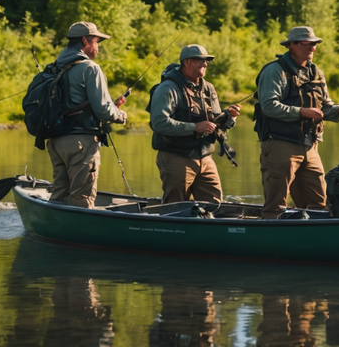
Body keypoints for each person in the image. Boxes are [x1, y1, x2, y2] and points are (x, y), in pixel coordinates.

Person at [254, 26, 339, 219]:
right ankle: (270, 241)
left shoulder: (316, 72)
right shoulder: (275, 71)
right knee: (276, 204)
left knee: (318, 205)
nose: (313, 48)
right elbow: (269, 106)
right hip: (280, 144)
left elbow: (325, 106)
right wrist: (302, 112)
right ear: (292, 45)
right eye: (308, 44)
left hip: (310, 146)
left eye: (315, 44)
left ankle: (312, 243)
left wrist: (337, 111)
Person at [47, 21, 128, 208]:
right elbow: (103, 110)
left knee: (60, 194)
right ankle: (77, 236)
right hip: (81, 143)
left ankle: (54, 231)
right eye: (97, 41)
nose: (98, 47)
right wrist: (120, 115)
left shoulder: (55, 66)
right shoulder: (90, 68)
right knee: (81, 197)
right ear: (85, 40)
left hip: (56, 141)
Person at [148, 44, 241, 205]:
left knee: (213, 204)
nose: (205, 64)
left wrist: (230, 117)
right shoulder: (168, 88)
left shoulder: (208, 88)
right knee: (175, 206)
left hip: (205, 158)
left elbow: (215, 125)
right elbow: (158, 123)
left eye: (207, 61)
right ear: (187, 62)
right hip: (176, 157)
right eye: (201, 60)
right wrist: (194, 127)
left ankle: (206, 229)